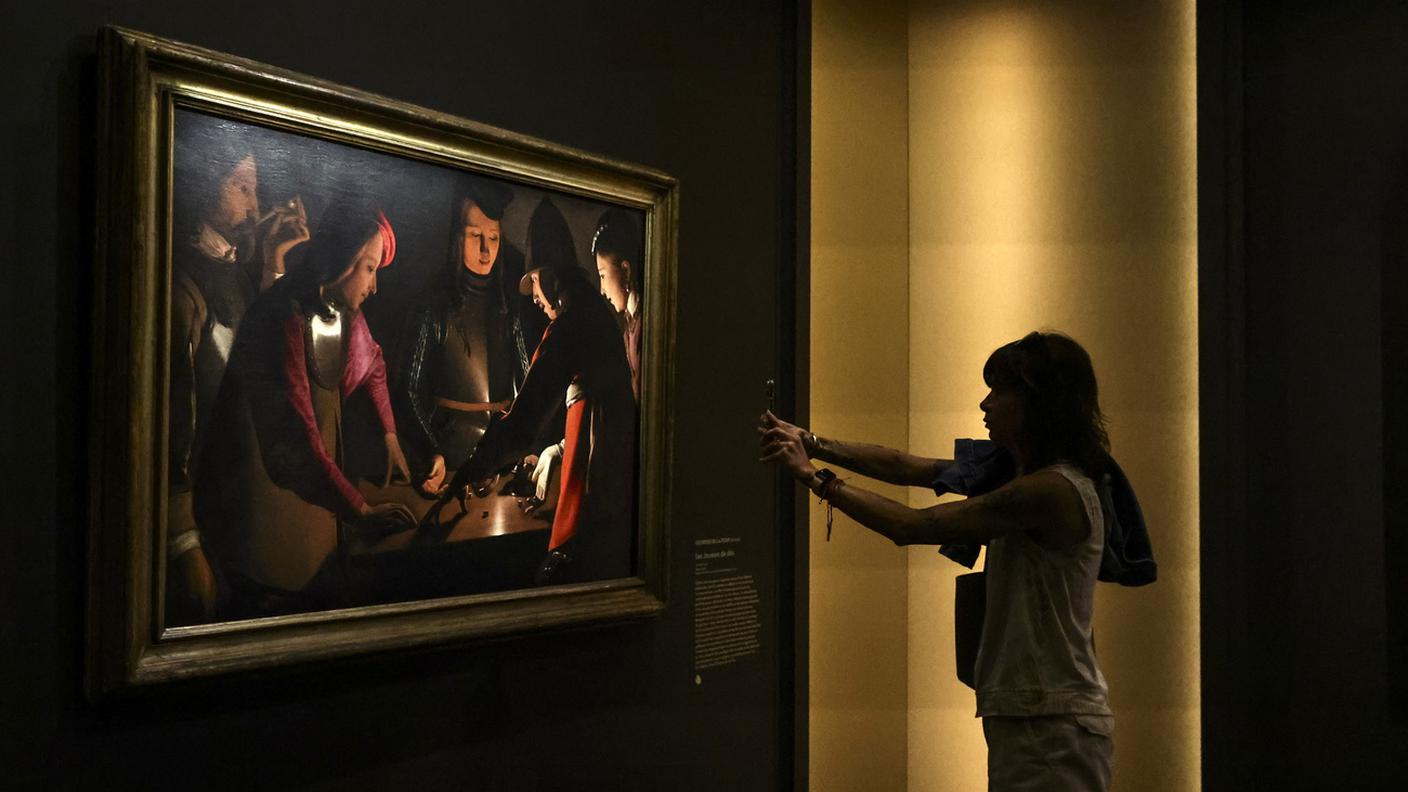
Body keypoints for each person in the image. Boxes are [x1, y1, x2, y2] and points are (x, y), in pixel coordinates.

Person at [759, 331, 1116, 791]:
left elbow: (913, 526)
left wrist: (814, 476)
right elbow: (911, 467)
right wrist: (811, 441)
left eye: (1000, 390)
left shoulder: (1048, 490)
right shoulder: (1021, 473)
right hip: (1039, 714)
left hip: (1050, 722)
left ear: (1039, 402)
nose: (985, 404)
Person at [196, 199, 413, 619]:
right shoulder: (282, 316)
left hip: (314, 528)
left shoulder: (337, 311)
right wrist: (362, 511)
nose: (374, 286)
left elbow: (375, 365)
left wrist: (389, 434)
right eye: (369, 269)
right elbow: (291, 447)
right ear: (344, 260)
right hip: (266, 533)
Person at [166, 125, 309, 624]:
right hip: (206, 522)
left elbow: (264, 357)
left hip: (245, 514)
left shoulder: (233, 272)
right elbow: (174, 429)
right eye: (241, 187)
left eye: (256, 189)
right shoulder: (183, 287)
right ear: (204, 185)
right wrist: (183, 542)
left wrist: (273, 261)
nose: (255, 205)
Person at [428, 262, 636, 585]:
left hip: (593, 504)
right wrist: (557, 449)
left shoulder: (571, 326)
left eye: (536, 282)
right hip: (613, 498)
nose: (535, 298)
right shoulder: (596, 315)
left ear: (554, 276)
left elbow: (523, 424)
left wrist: (476, 465)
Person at [393, 177, 531, 497]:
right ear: (457, 237)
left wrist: (528, 446)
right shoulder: (432, 307)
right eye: (475, 236)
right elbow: (408, 390)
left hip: (502, 467)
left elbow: (528, 383)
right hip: (448, 469)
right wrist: (431, 452)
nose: (486, 250)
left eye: (493, 238)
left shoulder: (507, 309)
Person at [591, 208, 644, 403]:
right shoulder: (630, 325)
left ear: (626, 270)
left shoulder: (645, 326)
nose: (602, 290)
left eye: (603, 275)